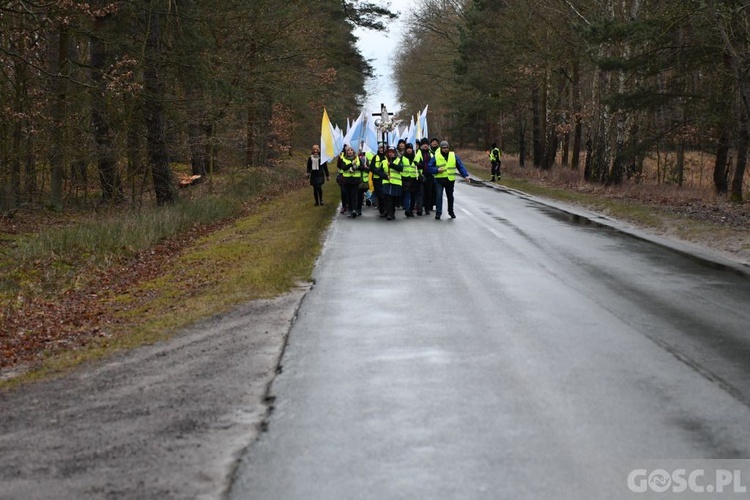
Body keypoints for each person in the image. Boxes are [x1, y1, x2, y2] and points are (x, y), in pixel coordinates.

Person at [427, 140, 470, 220]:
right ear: (440, 148)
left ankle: (451, 211)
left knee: (450, 196)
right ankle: (438, 213)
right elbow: (429, 167)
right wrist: (436, 170)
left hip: (450, 180)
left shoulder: (453, 155)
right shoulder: (436, 156)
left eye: (447, 148)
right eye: (443, 148)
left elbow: (460, 166)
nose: (445, 149)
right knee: (439, 196)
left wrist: (465, 175)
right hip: (439, 180)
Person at [337, 145, 365, 218]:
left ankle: (354, 210)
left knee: (354, 195)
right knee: (348, 195)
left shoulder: (357, 159)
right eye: (348, 150)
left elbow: (362, 168)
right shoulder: (344, 159)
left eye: (351, 150)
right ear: (346, 152)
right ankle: (350, 209)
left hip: (355, 180)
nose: (350, 152)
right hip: (347, 180)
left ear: (353, 151)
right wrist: (351, 164)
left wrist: (357, 167)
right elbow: (343, 167)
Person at [381, 146, 403, 220]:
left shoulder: (398, 160)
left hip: (396, 182)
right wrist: (385, 176)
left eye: (392, 152)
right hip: (387, 182)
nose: (390, 154)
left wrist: (392, 165)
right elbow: (379, 172)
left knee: (393, 199)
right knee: (388, 198)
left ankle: (391, 212)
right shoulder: (384, 161)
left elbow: (401, 168)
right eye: (389, 152)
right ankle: (389, 213)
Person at [415, 138, 434, 215]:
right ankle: (419, 208)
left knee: (428, 193)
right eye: (424, 144)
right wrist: (420, 166)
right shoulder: (418, 153)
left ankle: (427, 208)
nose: (425, 145)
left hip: (429, 175)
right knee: (420, 193)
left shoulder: (431, 153)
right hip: (421, 175)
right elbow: (415, 162)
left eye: (426, 144)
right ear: (421, 145)